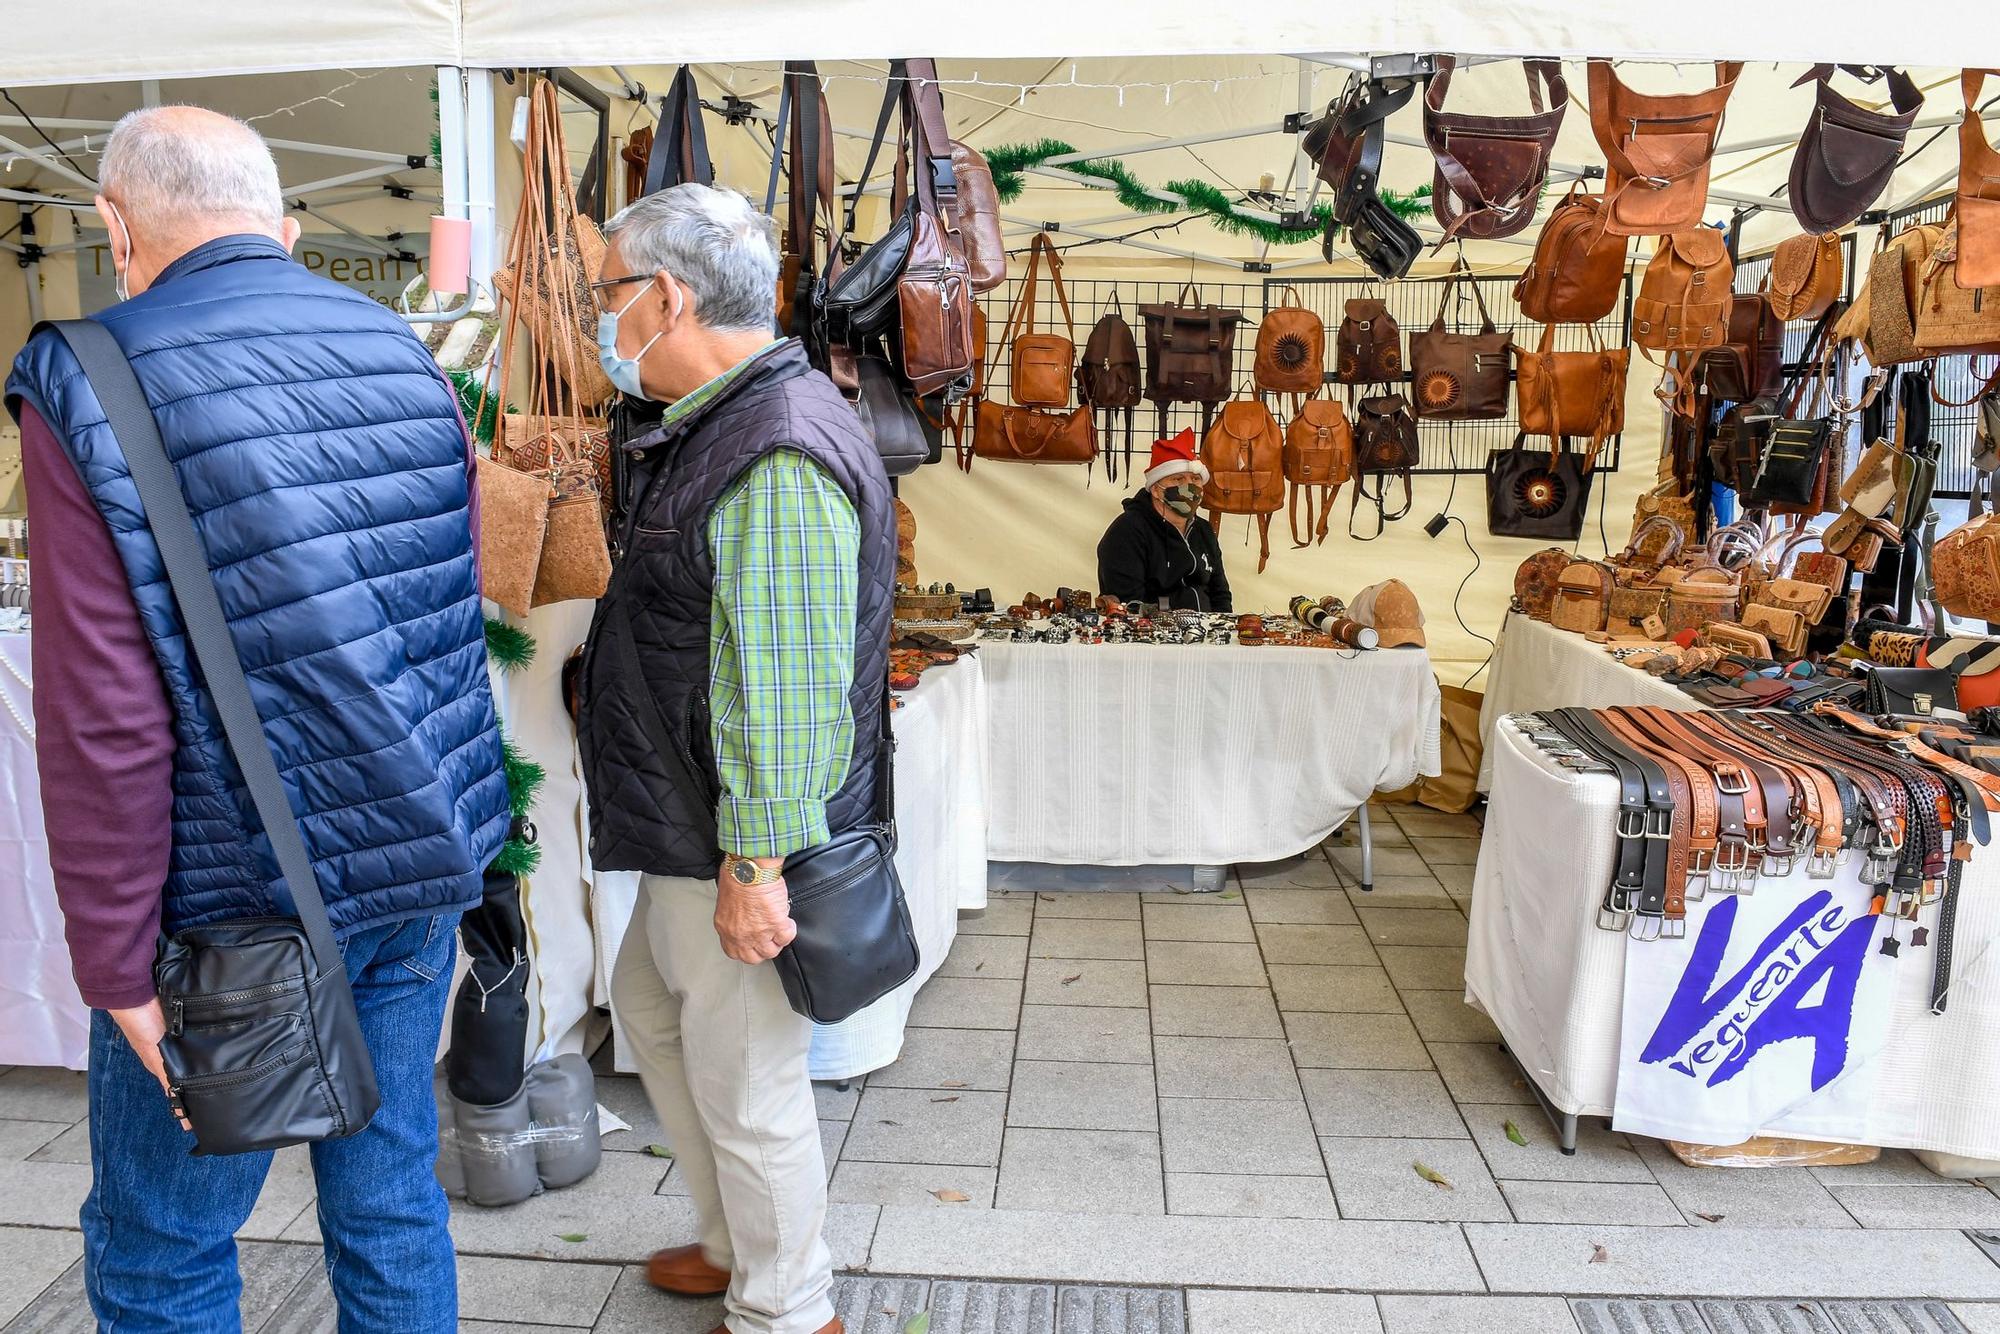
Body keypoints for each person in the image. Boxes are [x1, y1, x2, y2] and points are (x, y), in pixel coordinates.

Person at [5, 107, 507, 1329]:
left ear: (114, 225)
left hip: (226, 901)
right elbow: (439, 610)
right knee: (388, 1200)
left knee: (162, 1241)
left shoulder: (91, 373)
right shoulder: (407, 355)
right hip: (412, 859)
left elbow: (104, 718)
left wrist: (115, 957)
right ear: (277, 219)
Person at [580, 183, 892, 1334]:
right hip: (685, 809)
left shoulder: (773, 442)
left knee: (747, 1076)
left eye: (606, 295)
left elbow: (785, 677)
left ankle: (787, 1305)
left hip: (729, 828)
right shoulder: (731, 419)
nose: (598, 320)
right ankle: (731, 1242)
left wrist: (755, 861)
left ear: (664, 297)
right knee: (651, 1011)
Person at [1096, 427, 1233, 612]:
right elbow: (1129, 604)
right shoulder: (1127, 531)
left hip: (1206, 633)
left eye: (1195, 479)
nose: (1189, 486)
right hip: (1151, 634)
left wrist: (1221, 627)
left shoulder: (1203, 530)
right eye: (1178, 479)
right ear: (1155, 489)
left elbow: (1220, 594)